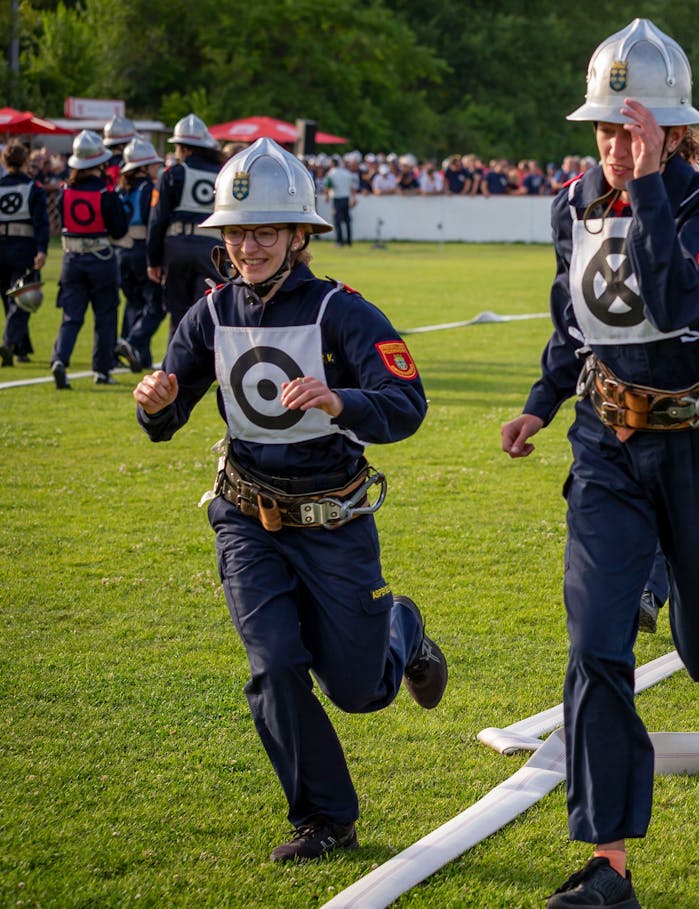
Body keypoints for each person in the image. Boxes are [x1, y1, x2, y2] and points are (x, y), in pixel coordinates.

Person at [497, 21, 699, 908]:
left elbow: (676, 299)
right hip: (607, 444)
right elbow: (575, 319)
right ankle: (609, 866)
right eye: (604, 128)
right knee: (596, 643)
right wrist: (540, 402)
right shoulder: (572, 202)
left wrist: (652, 187)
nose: (614, 146)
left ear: (673, 130)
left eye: (632, 129)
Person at [131, 137, 446, 861]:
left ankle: (405, 629)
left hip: (334, 520)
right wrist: (155, 401)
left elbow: (408, 404)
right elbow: (165, 415)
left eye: (266, 231)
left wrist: (342, 400)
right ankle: (325, 818)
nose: (250, 246)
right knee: (273, 664)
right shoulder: (209, 313)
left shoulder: (342, 310)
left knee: (361, 690)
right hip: (246, 516)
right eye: (238, 232)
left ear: (300, 235)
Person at [49, 130, 129, 389]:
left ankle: (60, 358)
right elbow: (119, 230)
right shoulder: (107, 193)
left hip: (71, 260)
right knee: (105, 316)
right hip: (101, 260)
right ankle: (102, 370)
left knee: (71, 316)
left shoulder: (64, 192)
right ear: (100, 162)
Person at [146, 114, 225, 333]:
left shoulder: (173, 173)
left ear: (184, 148)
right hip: (212, 249)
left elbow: (158, 219)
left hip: (177, 247)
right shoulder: (222, 174)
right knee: (207, 313)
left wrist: (153, 260)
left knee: (178, 316)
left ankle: (176, 365)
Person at [112, 137, 166, 372]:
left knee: (134, 304)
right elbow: (152, 223)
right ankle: (131, 343)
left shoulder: (120, 189)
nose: (157, 167)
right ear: (142, 168)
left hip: (121, 253)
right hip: (141, 252)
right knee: (156, 306)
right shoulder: (149, 189)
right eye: (153, 164)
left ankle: (139, 357)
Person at [0, 141, 50, 367]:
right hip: (23, 249)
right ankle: (9, 343)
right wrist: (41, 249)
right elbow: (41, 222)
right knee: (22, 300)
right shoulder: (33, 188)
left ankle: (20, 349)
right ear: (26, 161)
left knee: (8, 299)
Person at [323, 157, 359, 246]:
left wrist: (327, 196)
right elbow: (352, 187)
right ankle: (349, 241)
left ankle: (339, 241)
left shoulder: (331, 173)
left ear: (332, 164)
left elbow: (328, 185)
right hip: (346, 198)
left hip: (337, 198)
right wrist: (354, 198)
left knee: (337, 220)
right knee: (347, 220)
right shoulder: (347, 173)